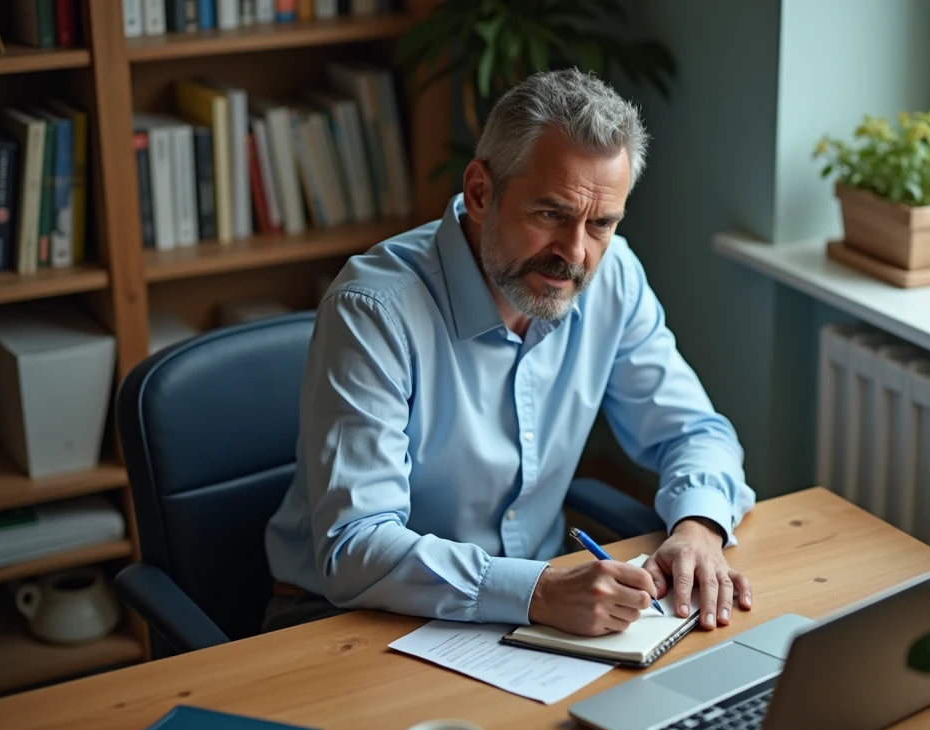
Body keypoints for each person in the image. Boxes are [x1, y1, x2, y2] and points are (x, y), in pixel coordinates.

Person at [263, 68, 755, 637]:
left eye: (601, 224)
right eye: (550, 214)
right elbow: (357, 547)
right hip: (348, 617)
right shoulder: (374, 310)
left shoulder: (612, 278)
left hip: (526, 611)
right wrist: (536, 591)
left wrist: (697, 528)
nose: (574, 253)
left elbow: (695, 432)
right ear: (480, 192)